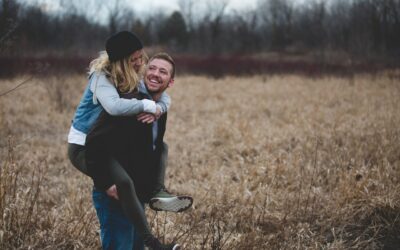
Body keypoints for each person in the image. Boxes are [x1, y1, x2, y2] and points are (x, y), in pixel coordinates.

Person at [66, 31, 191, 249]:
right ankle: (153, 243)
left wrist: (159, 108)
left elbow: (160, 95)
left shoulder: (130, 79)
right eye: (135, 60)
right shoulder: (101, 78)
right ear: (123, 61)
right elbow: (114, 108)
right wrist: (147, 106)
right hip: (85, 145)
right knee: (122, 184)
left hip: (107, 150)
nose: (141, 63)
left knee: (161, 147)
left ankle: (156, 191)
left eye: (141, 58)